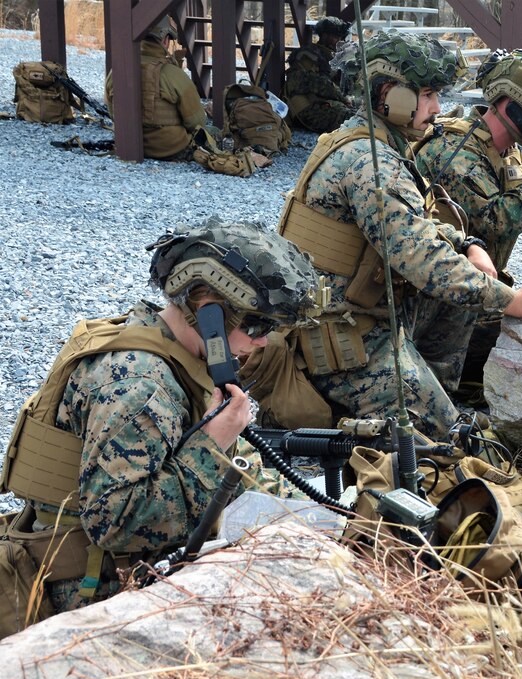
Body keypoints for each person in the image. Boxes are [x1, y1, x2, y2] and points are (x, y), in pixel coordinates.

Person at [0, 218, 322, 618]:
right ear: (209, 316)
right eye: (258, 325)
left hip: (106, 561)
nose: (262, 341)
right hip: (88, 589)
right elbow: (116, 523)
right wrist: (212, 446)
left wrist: (317, 511)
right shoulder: (141, 385)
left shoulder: (175, 351)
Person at [276, 30, 522, 440]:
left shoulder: (372, 143)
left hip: (366, 314)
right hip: (344, 339)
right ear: (388, 94)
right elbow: (424, 262)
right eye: (428, 94)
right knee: (451, 442)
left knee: (464, 288)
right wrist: (511, 300)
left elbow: (421, 224)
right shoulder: (370, 162)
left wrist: (465, 243)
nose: (437, 107)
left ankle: (433, 384)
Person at [412, 49, 522, 393]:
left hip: (481, 295)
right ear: (512, 108)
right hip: (444, 308)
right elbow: (498, 220)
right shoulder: (454, 152)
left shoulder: (514, 150)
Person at [104, 15, 216, 160]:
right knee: (213, 133)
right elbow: (197, 121)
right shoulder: (174, 74)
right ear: (165, 40)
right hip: (171, 148)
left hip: (128, 144)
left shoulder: (117, 72)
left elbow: (112, 113)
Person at [284, 16, 353, 133]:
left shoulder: (328, 55)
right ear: (324, 36)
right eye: (336, 37)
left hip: (322, 104)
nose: (339, 40)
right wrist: (343, 97)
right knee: (352, 118)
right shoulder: (307, 55)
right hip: (307, 110)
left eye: (341, 37)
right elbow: (317, 83)